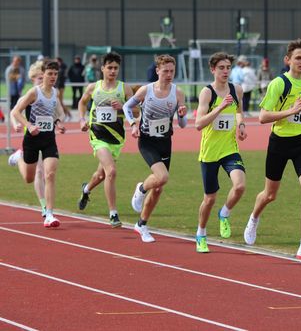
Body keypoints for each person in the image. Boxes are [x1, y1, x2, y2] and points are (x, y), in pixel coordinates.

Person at [243, 39, 301, 264]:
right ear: (287, 60)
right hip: (279, 143)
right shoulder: (278, 84)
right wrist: (291, 111)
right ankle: (254, 217)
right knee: (270, 195)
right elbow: (262, 117)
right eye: (298, 58)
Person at [123, 55, 188, 243]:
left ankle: (141, 224)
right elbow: (128, 107)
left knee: (159, 188)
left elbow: (183, 124)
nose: (169, 75)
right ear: (157, 70)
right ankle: (141, 188)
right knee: (162, 177)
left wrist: (182, 115)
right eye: (165, 71)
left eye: (172, 71)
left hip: (165, 141)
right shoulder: (146, 90)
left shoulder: (178, 93)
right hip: (147, 141)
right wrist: (133, 125)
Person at [194, 52, 247, 253]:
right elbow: (198, 124)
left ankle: (224, 213)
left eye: (228, 68)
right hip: (209, 153)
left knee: (240, 186)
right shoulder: (207, 93)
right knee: (209, 198)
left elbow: (239, 112)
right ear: (213, 70)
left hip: (230, 149)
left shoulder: (237, 90)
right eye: (221, 68)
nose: (225, 71)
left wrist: (241, 125)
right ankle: (201, 234)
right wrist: (220, 107)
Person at [77, 52, 134, 228]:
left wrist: (123, 108)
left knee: (101, 175)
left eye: (116, 68)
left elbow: (137, 111)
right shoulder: (94, 87)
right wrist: (81, 119)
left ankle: (86, 190)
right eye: (109, 67)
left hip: (116, 138)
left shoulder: (124, 89)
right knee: (112, 172)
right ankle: (113, 214)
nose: (113, 71)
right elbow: (82, 102)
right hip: (97, 135)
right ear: (102, 68)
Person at [9, 60, 66, 228]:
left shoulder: (55, 93)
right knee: (29, 177)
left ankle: (49, 214)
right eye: (50, 74)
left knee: (49, 174)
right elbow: (15, 111)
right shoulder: (34, 93)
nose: (53, 77)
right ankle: (19, 157)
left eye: (55, 74)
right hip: (32, 140)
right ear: (43, 75)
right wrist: (28, 126)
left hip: (49, 140)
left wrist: (59, 123)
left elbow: (58, 111)